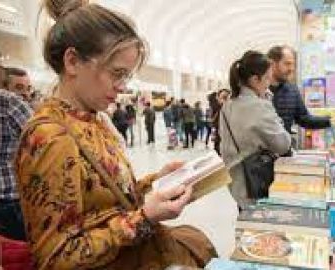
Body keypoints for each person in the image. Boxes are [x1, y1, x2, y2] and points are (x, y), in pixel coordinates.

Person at [14, 1, 216, 269]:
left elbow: (107, 198)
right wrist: (144, 219)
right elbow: (56, 258)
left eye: (126, 76)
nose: (122, 87)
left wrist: (156, 183)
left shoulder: (93, 118)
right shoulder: (51, 138)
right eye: (116, 74)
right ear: (72, 61)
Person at [219, 51, 291, 205]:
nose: (269, 83)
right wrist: (268, 103)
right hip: (256, 182)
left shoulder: (227, 105)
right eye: (267, 78)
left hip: (235, 180)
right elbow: (283, 144)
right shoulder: (259, 106)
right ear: (254, 79)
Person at [267, 45, 335, 133]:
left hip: (284, 146)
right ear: (272, 64)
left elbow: (304, 119)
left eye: (293, 64)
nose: (291, 69)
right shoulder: (258, 91)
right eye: (287, 64)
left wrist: (329, 121)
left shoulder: (292, 90)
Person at [0, 68, 33, 241]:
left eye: (28, 88)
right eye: (19, 88)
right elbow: (43, 143)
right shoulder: (8, 102)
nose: (25, 94)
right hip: (8, 204)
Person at [212, 89, 230, 155]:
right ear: (218, 99)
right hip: (220, 143)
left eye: (227, 98)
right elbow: (214, 124)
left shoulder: (234, 111)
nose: (224, 100)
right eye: (223, 98)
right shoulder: (218, 110)